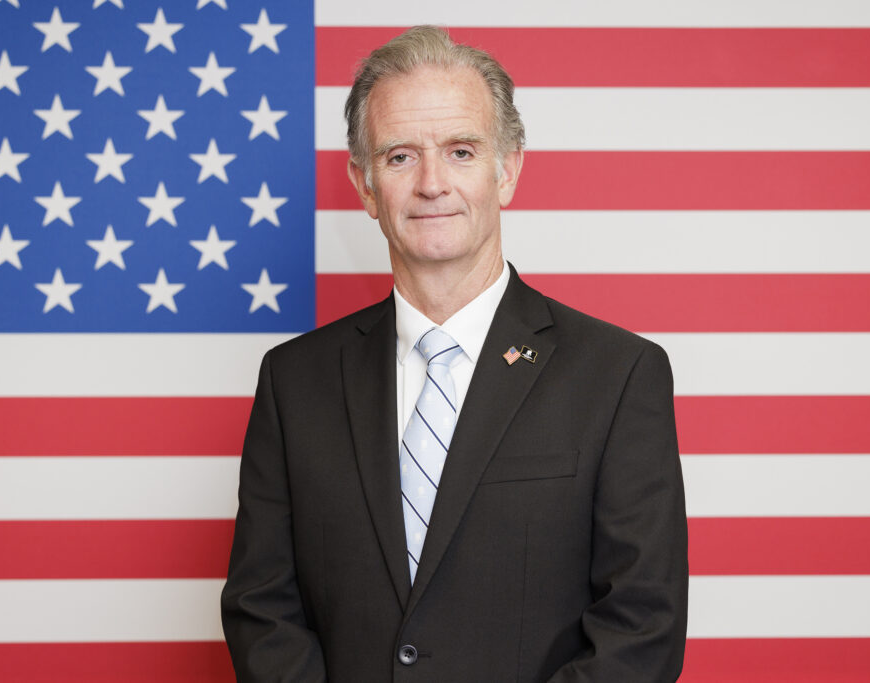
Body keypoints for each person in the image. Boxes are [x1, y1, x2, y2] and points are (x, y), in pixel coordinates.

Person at [222, 25, 688, 682]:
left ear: (508, 169)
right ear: (363, 184)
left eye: (462, 151)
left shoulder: (618, 375)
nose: (433, 183)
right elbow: (261, 608)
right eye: (400, 156)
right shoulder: (293, 381)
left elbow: (643, 625)